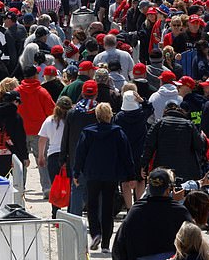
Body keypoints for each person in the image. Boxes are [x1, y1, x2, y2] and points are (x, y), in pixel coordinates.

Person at [73, 102, 135, 253]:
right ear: (110, 115)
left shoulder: (87, 132)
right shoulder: (118, 132)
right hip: (111, 174)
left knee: (92, 205)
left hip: (92, 174)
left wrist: (76, 172)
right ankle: (106, 244)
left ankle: (95, 233)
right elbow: (126, 155)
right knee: (107, 209)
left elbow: (80, 154)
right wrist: (131, 175)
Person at [112, 168, 193, 260]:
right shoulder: (180, 212)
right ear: (168, 189)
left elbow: (119, 248)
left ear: (148, 188)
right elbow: (194, 243)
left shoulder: (135, 211)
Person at [59, 80, 99, 216]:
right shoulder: (100, 111)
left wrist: (62, 158)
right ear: (96, 93)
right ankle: (96, 221)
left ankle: (75, 220)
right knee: (95, 190)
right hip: (95, 157)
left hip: (76, 158)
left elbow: (66, 137)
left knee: (77, 189)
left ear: (82, 93)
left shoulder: (72, 112)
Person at [16, 65, 55, 196]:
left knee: (21, 161)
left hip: (21, 132)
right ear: (35, 76)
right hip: (40, 132)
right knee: (42, 160)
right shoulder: (42, 92)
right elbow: (51, 112)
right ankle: (47, 189)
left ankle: (20, 188)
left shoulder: (17, 92)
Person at [141, 102, 204, 183]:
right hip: (186, 168)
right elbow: (200, 145)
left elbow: (148, 146)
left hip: (163, 168)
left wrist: (143, 165)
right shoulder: (189, 124)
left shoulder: (159, 123)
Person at [113, 89, 153, 210]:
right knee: (141, 180)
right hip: (140, 152)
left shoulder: (119, 117)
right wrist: (142, 100)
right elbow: (150, 108)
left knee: (125, 181)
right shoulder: (141, 114)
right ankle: (139, 206)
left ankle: (130, 208)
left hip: (124, 152)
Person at [38, 96, 72, 218]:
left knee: (55, 186)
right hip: (69, 156)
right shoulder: (71, 121)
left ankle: (55, 213)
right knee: (70, 186)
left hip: (53, 156)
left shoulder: (49, 120)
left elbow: (42, 139)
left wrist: (41, 156)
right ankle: (71, 213)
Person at [0, 90, 30, 177]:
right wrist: (25, 156)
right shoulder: (16, 117)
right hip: (15, 154)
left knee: (1, 182)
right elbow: (20, 139)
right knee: (18, 182)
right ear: (15, 101)